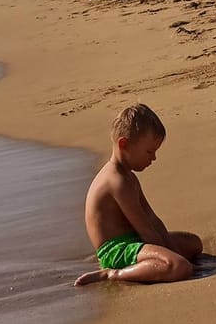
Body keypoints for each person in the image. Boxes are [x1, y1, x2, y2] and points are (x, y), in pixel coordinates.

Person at [74, 103, 203, 286]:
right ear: (124, 144)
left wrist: (171, 247)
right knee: (180, 267)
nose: (153, 158)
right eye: (149, 152)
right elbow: (145, 229)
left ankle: (157, 260)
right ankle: (113, 274)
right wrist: (172, 256)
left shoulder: (129, 177)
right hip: (117, 250)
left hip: (134, 241)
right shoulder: (117, 181)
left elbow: (152, 219)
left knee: (193, 243)